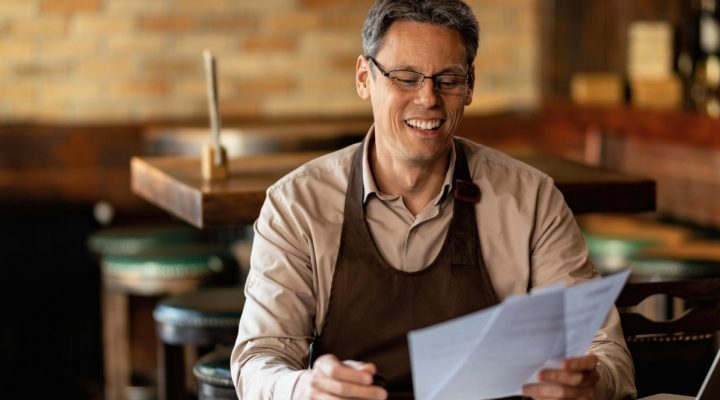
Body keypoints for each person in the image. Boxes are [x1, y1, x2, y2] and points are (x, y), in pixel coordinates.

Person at [231, 0, 636, 399]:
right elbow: (259, 360)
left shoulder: (530, 199)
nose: (428, 98)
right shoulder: (297, 204)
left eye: (448, 79)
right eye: (405, 77)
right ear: (363, 78)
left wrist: (590, 385)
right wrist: (307, 388)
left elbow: (605, 350)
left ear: (470, 86)